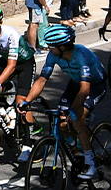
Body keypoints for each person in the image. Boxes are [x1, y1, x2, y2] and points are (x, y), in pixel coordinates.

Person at [20, 24, 105, 174]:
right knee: (62, 120)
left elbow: (85, 89)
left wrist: (75, 109)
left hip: (95, 85)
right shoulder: (54, 55)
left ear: (63, 46)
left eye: (51, 46)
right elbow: (42, 80)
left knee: (78, 120)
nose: (49, 49)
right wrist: (27, 101)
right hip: (76, 82)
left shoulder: (81, 55)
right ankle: (76, 150)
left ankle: (91, 163)